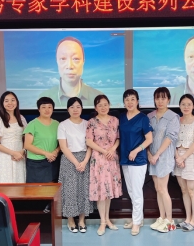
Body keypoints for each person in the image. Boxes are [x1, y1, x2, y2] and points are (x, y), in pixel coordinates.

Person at [86, 95, 122, 236]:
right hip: (99, 159)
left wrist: (112, 149)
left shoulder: (115, 120)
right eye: (100, 105)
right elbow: (89, 141)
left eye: (105, 104)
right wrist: (104, 151)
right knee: (101, 191)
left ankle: (107, 220)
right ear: (95, 107)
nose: (103, 107)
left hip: (112, 158)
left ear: (109, 105)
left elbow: (118, 138)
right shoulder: (91, 122)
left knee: (109, 190)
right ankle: (102, 222)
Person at [119, 89, 153, 236]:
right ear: (124, 102)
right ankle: (138, 219)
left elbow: (149, 139)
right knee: (131, 191)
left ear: (137, 101)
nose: (130, 102)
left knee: (137, 192)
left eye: (132, 99)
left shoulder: (143, 118)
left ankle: (136, 222)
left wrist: (136, 150)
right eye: (127, 99)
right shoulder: (121, 117)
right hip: (125, 159)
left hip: (138, 160)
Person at [58, 97, 94, 233]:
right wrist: (76, 162)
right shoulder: (63, 125)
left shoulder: (87, 124)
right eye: (72, 107)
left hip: (85, 159)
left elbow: (90, 145)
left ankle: (82, 220)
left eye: (78, 106)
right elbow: (63, 147)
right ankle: (70, 220)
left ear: (82, 108)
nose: (75, 109)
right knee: (70, 190)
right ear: (68, 109)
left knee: (84, 189)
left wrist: (84, 162)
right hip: (69, 160)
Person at [147, 87, 180, 233]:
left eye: (163, 98)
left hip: (164, 157)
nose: (160, 101)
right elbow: (146, 137)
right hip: (152, 157)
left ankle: (170, 221)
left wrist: (157, 154)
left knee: (163, 188)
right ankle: (161, 218)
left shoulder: (173, 117)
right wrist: (149, 154)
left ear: (168, 99)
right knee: (158, 189)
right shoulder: (149, 116)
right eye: (157, 98)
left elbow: (170, 137)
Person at [38, 37, 103, 107]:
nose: (69, 66)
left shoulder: (98, 98)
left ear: (83, 61)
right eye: (63, 59)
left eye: (75, 59)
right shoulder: (44, 97)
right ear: (57, 61)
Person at [174, 94, 194, 232]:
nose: (186, 107)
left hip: (190, 156)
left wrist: (183, 157)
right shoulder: (176, 120)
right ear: (179, 106)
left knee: (192, 190)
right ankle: (187, 219)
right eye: (183, 104)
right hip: (177, 157)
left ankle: (193, 221)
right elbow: (171, 140)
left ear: (193, 106)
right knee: (184, 190)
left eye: (189, 104)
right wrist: (177, 157)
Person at [0, 91, 27, 183]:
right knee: (6, 182)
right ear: (2, 103)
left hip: (20, 156)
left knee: (20, 182)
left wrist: (22, 151)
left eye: (13, 100)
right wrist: (13, 153)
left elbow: (26, 139)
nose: (10, 103)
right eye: (6, 101)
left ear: (17, 102)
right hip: (5, 156)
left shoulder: (21, 118)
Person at [23, 97, 60, 183]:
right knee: (36, 190)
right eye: (43, 107)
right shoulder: (32, 124)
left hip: (53, 161)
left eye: (49, 107)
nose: (47, 110)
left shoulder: (57, 124)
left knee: (52, 189)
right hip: (36, 163)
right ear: (39, 109)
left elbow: (62, 143)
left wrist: (55, 152)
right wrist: (46, 153)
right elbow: (27, 145)